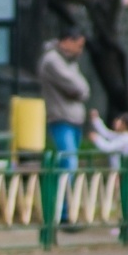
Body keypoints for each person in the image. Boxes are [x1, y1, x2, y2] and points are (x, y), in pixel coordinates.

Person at [38, 26, 90, 225]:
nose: (80, 50)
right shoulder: (52, 60)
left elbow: (84, 88)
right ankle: (62, 214)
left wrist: (81, 89)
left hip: (74, 120)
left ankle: (67, 210)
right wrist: (81, 90)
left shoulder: (69, 61)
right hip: (61, 119)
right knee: (68, 164)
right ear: (67, 40)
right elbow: (78, 87)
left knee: (69, 165)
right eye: (79, 45)